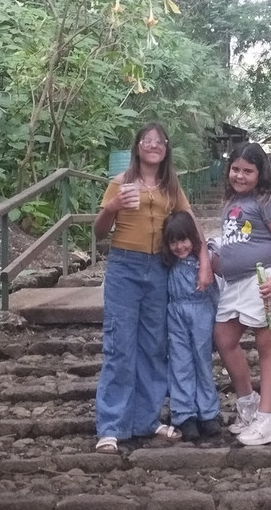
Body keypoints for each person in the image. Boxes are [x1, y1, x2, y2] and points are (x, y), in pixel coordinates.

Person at [92, 122, 212, 453]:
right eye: (148, 140)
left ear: (166, 148)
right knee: (120, 345)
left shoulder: (171, 187)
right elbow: (99, 231)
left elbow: (190, 223)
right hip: (124, 268)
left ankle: (146, 419)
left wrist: (204, 261)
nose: (154, 145)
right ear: (138, 147)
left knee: (154, 346)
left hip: (159, 270)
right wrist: (113, 207)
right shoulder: (120, 183)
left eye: (160, 141)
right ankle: (111, 426)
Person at [209, 142, 271, 446]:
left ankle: (269, 418)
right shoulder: (230, 202)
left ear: (260, 174)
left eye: (248, 171)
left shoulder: (268, 202)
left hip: (265, 278)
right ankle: (248, 405)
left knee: (267, 344)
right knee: (223, 337)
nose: (240, 175)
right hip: (235, 284)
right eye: (235, 169)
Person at [160, 210, 221, 441]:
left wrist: (216, 319)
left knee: (202, 362)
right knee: (180, 363)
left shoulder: (202, 264)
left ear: (193, 240)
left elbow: (215, 293)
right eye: (173, 241)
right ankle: (184, 414)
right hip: (175, 314)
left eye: (183, 240)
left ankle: (209, 413)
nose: (179, 246)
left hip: (202, 312)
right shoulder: (167, 264)